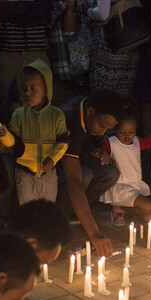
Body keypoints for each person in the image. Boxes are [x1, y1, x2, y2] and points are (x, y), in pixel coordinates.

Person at [57, 90, 123, 258]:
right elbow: (73, 181)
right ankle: (60, 220)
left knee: (111, 172)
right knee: (84, 175)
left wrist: (96, 148)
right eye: (102, 126)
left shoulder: (87, 108)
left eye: (107, 129)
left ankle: (77, 212)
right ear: (91, 112)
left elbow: (86, 139)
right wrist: (94, 233)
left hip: (78, 156)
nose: (102, 132)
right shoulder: (69, 120)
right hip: (51, 166)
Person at [7, 60, 68, 204]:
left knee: (47, 213)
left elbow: (64, 141)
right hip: (24, 173)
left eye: (33, 89)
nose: (28, 93)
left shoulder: (57, 115)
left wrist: (53, 159)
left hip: (49, 174)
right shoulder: (19, 114)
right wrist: (4, 135)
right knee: (27, 212)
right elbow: (12, 141)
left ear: (46, 88)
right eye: (25, 88)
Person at [101, 105, 151, 225]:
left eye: (131, 132)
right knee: (149, 207)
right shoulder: (111, 143)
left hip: (134, 186)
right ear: (115, 129)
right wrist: (103, 153)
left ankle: (122, 209)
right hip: (120, 187)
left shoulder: (137, 141)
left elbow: (148, 142)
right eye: (122, 132)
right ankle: (117, 207)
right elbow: (99, 149)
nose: (127, 136)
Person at [0, 0, 52, 105]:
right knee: (9, 104)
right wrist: (29, 8)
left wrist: (9, 7)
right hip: (8, 54)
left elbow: (42, 13)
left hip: (36, 53)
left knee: (40, 104)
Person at [86, 0, 141, 97]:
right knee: (121, 98)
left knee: (103, 97)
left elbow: (102, 14)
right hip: (130, 47)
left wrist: (88, 11)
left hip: (107, 49)